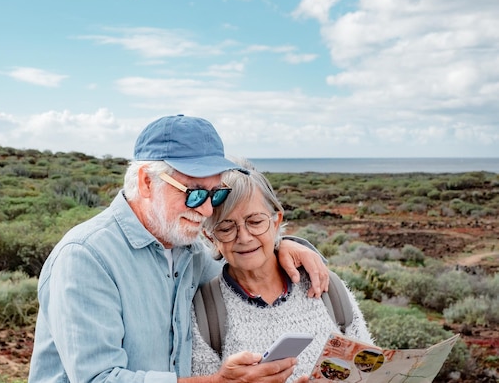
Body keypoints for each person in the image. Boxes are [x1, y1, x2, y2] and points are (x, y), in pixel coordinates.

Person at [28, 115, 329, 383]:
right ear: (146, 182)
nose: (209, 210)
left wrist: (283, 246)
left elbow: (243, 266)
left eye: (216, 193)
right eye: (195, 193)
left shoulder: (189, 251)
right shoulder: (85, 257)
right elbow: (99, 378)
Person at [190, 158, 373, 382]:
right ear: (211, 237)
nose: (244, 237)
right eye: (226, 228)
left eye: (256, 222)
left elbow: (368, 372)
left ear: (276, 221)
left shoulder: (326, 286)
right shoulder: (204, 311)